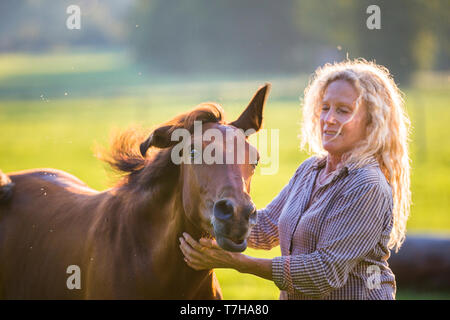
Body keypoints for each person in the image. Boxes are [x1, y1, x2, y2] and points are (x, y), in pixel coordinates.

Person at [179, 59, 412, 300]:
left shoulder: (367, 185)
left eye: (343, 110)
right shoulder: (310, 169)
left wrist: (240, 262)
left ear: (371, 122)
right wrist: (217, 217)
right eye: (325, 108)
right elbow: (267, 225)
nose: (329, 119)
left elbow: (323, 273)